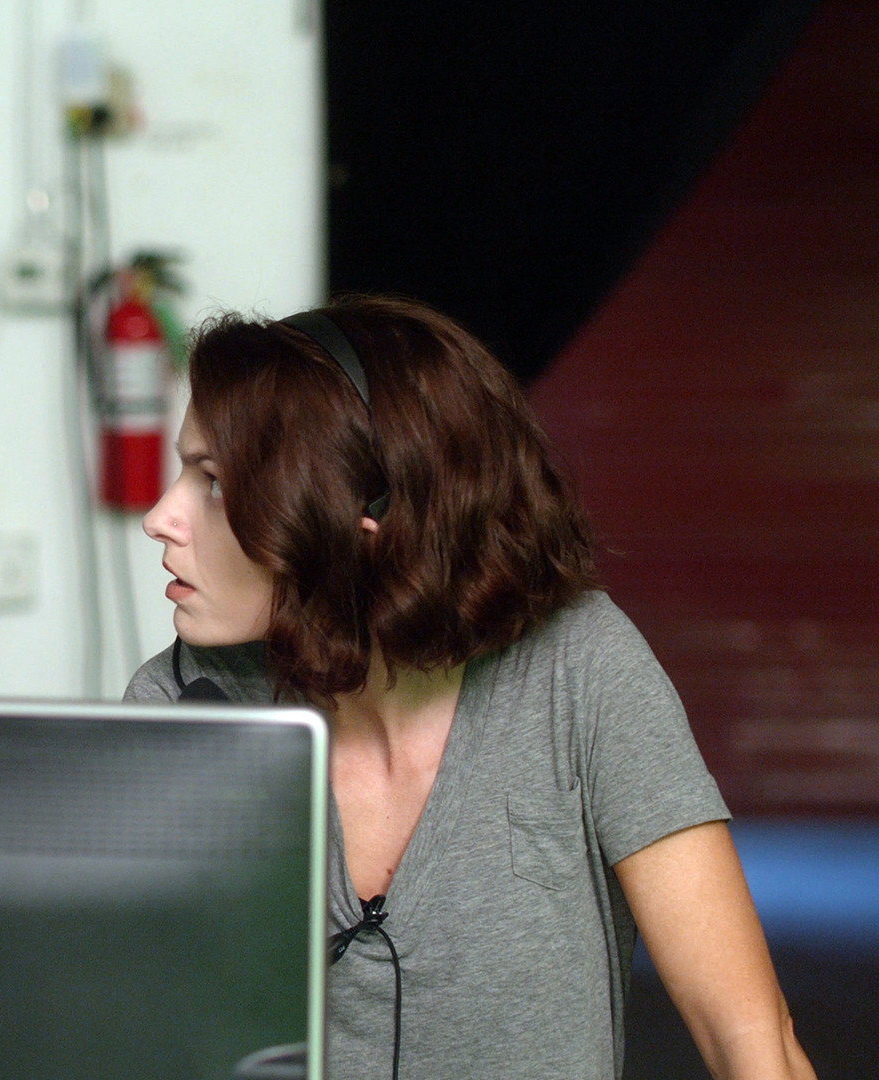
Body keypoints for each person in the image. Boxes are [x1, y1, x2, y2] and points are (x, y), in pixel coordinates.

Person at [126, 296, 813, 1079]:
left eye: (213, 483)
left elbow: (750, 1040)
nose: (160, 517)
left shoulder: (578, 668)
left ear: (363, 516)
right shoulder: (184, 702)